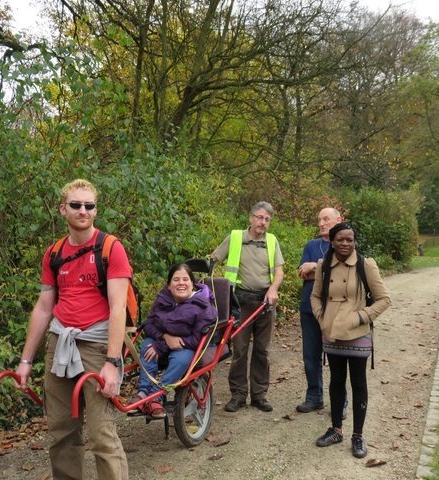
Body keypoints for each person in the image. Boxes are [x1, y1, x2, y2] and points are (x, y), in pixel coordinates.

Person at [15, 179, 130, 480]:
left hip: (97, 344)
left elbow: (118, 309)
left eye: (89, 206)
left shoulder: (110, 248)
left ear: (95, 210)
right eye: (76, 205)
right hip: (60, 343)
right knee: (62, 432)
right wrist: (26, 362)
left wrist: (112, 362)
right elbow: (43, 308)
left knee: (101, 434)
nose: (83, 211)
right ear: (62, 209)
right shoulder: (53, 253)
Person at [310, 222, 391, 459]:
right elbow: (315, 296)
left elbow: (384, 299)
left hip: (357, 333)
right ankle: (336, 430)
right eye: (340, 239)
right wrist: (321, 316)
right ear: (332, 241)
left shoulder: (366, 264)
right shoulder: (323, 266)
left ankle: (358, 435)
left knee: (358, 383)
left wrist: (360, 317)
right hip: (332, 332)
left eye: (350, 240)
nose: (345, 244)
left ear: (354, 241)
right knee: (336, 381)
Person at [211, 201, 285, 413]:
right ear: (251, 218)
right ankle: (238, 395)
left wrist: (273, 289)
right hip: (239, 303)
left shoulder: (272, 241)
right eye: (260, 217)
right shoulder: (235, 238)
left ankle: (259, 395)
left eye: (267, 220)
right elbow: (213, 259)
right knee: (240, 350)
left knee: (262, 350)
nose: (263, 222)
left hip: (265, 304)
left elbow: (279, 272)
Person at [128, 263, 218, 418]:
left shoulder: (202, 306)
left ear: (192, 283)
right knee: (146, 346)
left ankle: (156, 396)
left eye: (185, 279)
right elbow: (149, 324)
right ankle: (143, 393)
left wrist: (164, 344)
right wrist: (164, 338)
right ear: (169, 285)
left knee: (181, 359)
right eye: (176, 279)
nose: (181, 283)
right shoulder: (163, 298)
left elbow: (197, 339)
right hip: (163, 341)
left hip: (188, 345)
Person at [296, 207, 348, 415]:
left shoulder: (346, 245)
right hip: (309, 309)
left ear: (338, 220)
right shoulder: (311, 245)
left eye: (325, 219)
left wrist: (315, 267)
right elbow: (302, 273)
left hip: (336, 311)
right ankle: (314, 396)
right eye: (319, 219)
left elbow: (343, 273)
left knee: (337, 356)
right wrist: (324, 270)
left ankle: (340, 401)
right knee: (311, 355)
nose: (321, 223)